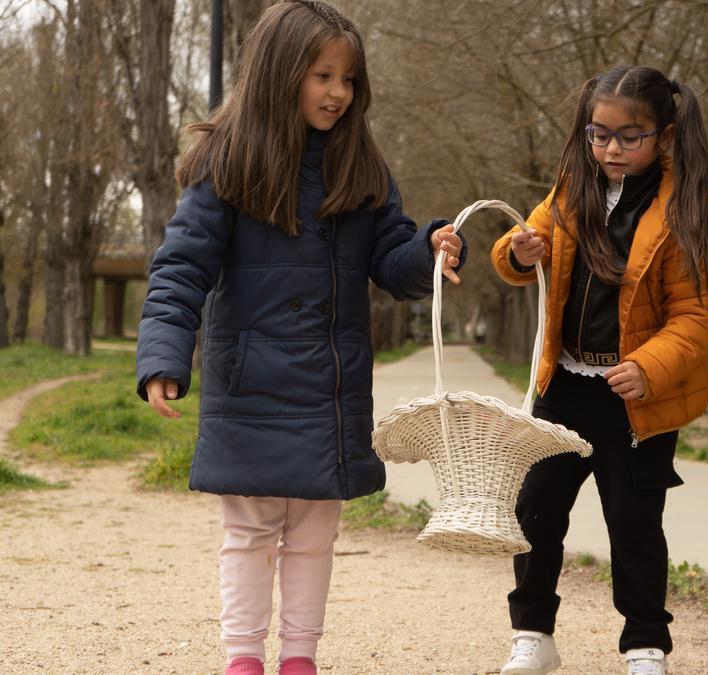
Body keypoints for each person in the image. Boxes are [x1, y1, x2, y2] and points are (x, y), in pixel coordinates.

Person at [134, 3, 465, 674]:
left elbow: (389, 260)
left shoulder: (361, 166)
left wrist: (428, 250)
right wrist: (164, 353)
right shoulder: (225, 163)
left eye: (348, 79)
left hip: (328, 387)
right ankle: (243, 657)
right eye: (322, 76)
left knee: (315, 532)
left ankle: (298, 658)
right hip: (249, 385)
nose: (338, 93)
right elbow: (181, 267)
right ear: (280, 73)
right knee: (250, 529)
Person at [489, 64, 708, 675]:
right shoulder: (571, 188)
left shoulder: (693, 208)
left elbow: (698, 311)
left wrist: (647, 367)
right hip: (563, 386)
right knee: (535, 514)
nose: (611, 148)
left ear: (665, 135)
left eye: (628, 136)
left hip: (637, 399)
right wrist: (516, 254)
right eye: (598, 134)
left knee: (634, 525)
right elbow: (519, 249)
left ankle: (646, 643)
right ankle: (533, 635)